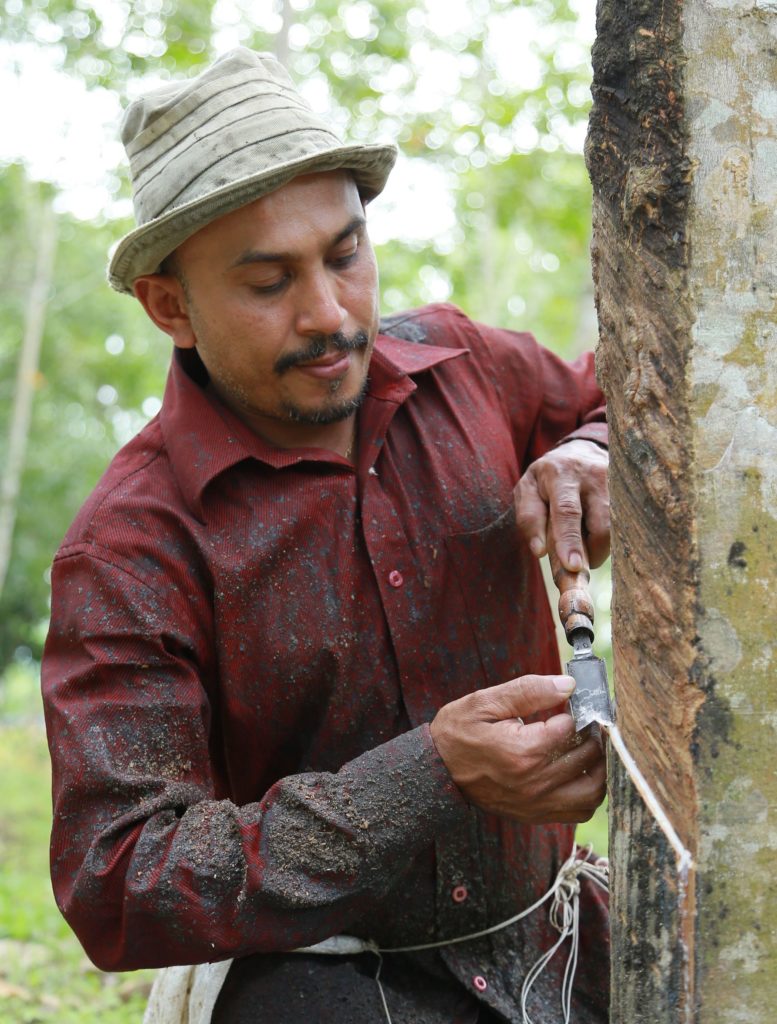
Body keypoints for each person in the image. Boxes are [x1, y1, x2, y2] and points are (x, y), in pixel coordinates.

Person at [42, 48, 611, 1024]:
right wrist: (427, 774)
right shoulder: (132, 546)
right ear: (169, 305)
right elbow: (120, 877)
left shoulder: (464, 364)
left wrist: (595, 451)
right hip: (323, 979)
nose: (330, 313)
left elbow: (621, 398)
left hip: (557, 930)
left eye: (345, 254)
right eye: (267, 282)